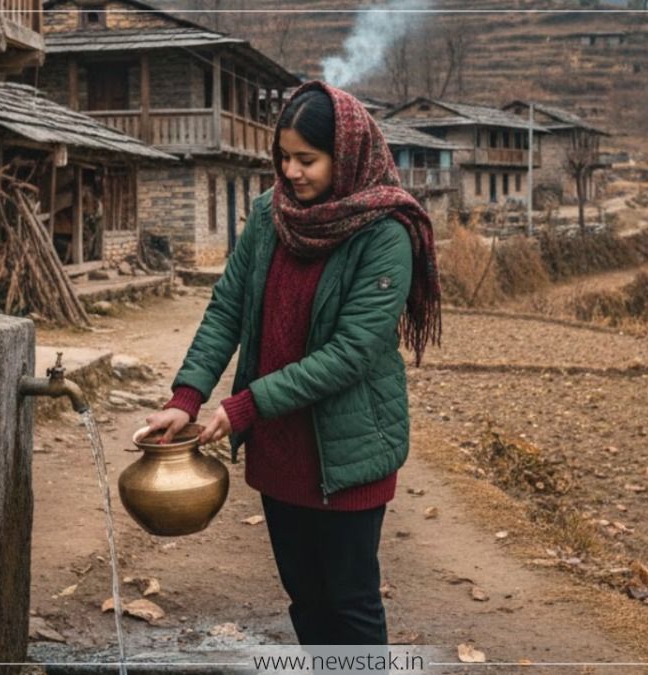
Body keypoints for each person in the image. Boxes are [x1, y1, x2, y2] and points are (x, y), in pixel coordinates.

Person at [138, 80, 442, 646]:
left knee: (350, 603)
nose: (292, 172)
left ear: (346, 156)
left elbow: (351, 353)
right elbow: (228, 308)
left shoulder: (385, 233)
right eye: (284, 157)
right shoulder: (268, 215)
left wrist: (249, 403)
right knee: (306, 599)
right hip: (280, 450)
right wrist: (186, 398)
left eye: (308, 159)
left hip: (348, 454)